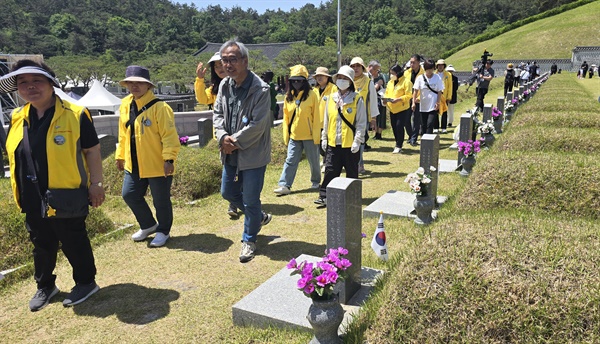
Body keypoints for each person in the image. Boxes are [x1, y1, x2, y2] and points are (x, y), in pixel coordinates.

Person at [1, 60, 104, 311]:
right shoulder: (17, 117)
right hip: (30, 194)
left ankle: (86, 282)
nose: (30, 87)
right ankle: (45, 285)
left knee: (73, 240)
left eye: (36, 80)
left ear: (51, 84)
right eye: (23, 82)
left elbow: (91, 151)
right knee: (41, 243)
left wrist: (96, 183)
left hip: (66, 192)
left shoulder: (76, 114)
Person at [213, 40, 272, 263]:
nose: (228, 65)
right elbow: (217, 113)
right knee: (228, 193)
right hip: (229, 151)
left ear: (244, 61)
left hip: (253, 152)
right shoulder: (224, 85)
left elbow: (257, 125)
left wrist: (233, 140)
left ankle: (249, 240)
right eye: (224, 60)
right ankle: (259, 217)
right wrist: (221, 137)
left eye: (233, 60)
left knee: (250, 198)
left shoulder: (261, 88)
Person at [116, 65, 180, 248]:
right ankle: (148, 224)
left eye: (139, 83)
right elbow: (122, 133)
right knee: (129, 194)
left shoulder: (160, 107)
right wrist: (120, 156)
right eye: (130, 83)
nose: (134, 86)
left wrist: (169, 159)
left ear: (148, 86)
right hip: (133, 162)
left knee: (161, 200)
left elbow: (169, 136)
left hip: (157, 163)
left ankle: (163, 231)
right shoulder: (125, 104)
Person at [195, 53, 239, 218]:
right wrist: (199, 80)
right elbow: (201, 98)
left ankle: (236, 200)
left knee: (237, 170)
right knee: (229, 169)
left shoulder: (238, 85)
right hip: (222, 137)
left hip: (238, 135)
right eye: (217, 67)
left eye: (222, 65)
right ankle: (234, 201)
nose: (220, 69)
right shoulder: (213, 89)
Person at [314, 65, 366, 207]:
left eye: (345, 78)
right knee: (330, 170)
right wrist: (324, 137)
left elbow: (361, 123)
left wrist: (358, 140)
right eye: (340, 78)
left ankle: (353, 197)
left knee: (351, 172)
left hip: (350, 144)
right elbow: (327, 120)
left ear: (350, 81)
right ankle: (324, 196)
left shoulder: (356, 99)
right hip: (333, 143)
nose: (342, 80)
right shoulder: (331, 98)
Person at [274, 65, 320, 195]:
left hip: (310, 135)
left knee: (314, 161)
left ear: (304, 81)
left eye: (299, 80)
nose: (296, 83)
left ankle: (316, 181)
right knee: (290, 160)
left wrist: (317, 136)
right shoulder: (289, 96)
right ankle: (284, 185)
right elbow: (286, 119)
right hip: (294, 135)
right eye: (294, 81)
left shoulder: (312, 95)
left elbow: (316, 117)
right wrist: (286, 136)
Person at [350, 57, 378, 174]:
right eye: (353, 66)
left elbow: (372, 100)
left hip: (363, 117)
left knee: (360, 141)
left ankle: (359, 164)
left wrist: (373, 119)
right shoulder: (348, 80)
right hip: (348, 117)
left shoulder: (368, 81)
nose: (356, 69)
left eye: (358, 66)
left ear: (362, 67)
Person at [383, 64, 412, 154]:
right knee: (394, 126)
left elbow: (409, 95)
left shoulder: (406, 82)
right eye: (390, 73)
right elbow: (387, 92)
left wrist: (399, 99)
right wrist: (385, 99)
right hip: (392, 108)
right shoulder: (390, 82)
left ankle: (399, 145)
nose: (391, 75)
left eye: (393, 73)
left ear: (398, 73)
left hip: (402, 108)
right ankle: (397, 142)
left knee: (399, 126)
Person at [312, 67, 337, 170]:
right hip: (316, 123)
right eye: (317, 76)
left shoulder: (333, 88)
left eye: (321, 76)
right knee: (318, 144)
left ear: (327, 77)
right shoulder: (314, 90)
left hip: (328, 122)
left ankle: (327, 161)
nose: (319, 78)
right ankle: (324, 159)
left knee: (327, 143)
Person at [412, 59, 444, 134]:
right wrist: (413, 102)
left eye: (431, 69)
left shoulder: (437, 78)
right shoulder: (420, 78)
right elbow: (415, 91)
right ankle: (424, 140)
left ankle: (429, 141)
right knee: (423, 125)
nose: (429, 71)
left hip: (433, 105)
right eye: (428, 69)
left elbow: (440, 91)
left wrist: (438, 102)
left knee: (430, 124)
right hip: (423, 106)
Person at [404, 54, 424, 146]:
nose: (412, 64)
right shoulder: (406, 72)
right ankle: (411, 135)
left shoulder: (423, 73)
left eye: (414, 62)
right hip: (407, 98)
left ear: (418, 62)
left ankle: (414, 139)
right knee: (406, 119)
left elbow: (424, 88)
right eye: (411, 62)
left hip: (418, 99)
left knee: (416, 120)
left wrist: (418, 99)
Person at [367, 60, 386, 140]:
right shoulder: (368, 76)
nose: (375, 71)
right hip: (370, 99)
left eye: (377, 70)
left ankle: (379, 133)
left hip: (379, 99)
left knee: (380, 117)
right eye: (375, 69)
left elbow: (375, 89)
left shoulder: (380, 77)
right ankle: (374, 132)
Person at [435, 59, 453, 134]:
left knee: (444, 112)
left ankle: (443, 128)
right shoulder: (434, 74)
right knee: (435, 111)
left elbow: (450, 86)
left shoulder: (448, 74)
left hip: (444, 96)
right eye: (439, 65)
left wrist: (449, 97)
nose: (440, 67)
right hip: (435, 95)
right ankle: (435, 127)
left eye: (442, 65)